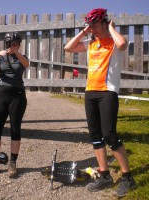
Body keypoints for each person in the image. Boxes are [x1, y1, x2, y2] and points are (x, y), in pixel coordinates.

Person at [64, 8, 136, 197]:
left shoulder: (113, 42)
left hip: (107, 93)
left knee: (110, 135)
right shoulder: (90, 43)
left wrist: (111, 28)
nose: (92, 28)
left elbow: (122, 43)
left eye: (95, 24)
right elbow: (68, 48)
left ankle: (128, 178)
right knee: (95, 136)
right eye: (90, 25)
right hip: (90, 92)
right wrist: (85, 31)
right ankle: (104, 175)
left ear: (104, 23)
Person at [0, 32, 29, 178]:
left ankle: (13, 164)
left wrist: (17, 53)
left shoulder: (22, 57)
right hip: (1, 95)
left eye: (15, 44)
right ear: (6, 44)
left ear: (19, 45)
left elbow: (27, 64)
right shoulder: (1, 56)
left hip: (18, 96)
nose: (12, 46)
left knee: (15, 129)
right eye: (10, 44)